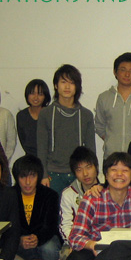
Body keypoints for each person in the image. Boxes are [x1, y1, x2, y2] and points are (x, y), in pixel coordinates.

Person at [37, 64, 96, 194]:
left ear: (77, 87)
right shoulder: (46, 113)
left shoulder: (86, 115)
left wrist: (93, 177)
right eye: (63, 82)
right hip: (53, 174)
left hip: (79, 174)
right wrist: (43, 175)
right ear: (56, 85)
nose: (67, 87)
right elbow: (41, 148)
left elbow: (91, 149)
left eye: (72, 83)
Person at [11, 155, 61, 260]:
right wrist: (20, 239)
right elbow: (8, 226)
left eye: (32, 176)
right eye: (23, 177)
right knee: (7, 246)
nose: (28, 182)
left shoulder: (50, 195)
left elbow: (51, 226)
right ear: (17, 177)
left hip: (43, 237)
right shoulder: (9, 195)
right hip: (19, 240)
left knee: (50, 249)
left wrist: (37, 238)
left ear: (38, 176)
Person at [95, 52, 131, 160]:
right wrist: (111, 142)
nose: (127, 74)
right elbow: (99, 126)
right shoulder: (104, 98)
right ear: (115, 72)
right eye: (123, 70)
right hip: (111, 158)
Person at [60, 146, 100, 246]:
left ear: (96, 167)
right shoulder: (68, 194)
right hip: (79, 242)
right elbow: (65, 226)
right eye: (79, 170)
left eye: (88, 167)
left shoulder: (108, 186)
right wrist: (77, 242)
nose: (85, 174)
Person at [16, 79, 51, 157]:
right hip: (30, 159)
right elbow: (23, 140)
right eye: (32, 93)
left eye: (40, 94)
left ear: (45, 96)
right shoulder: (22, 116)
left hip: (50, 159)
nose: (36, 97)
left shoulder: (51, 114)